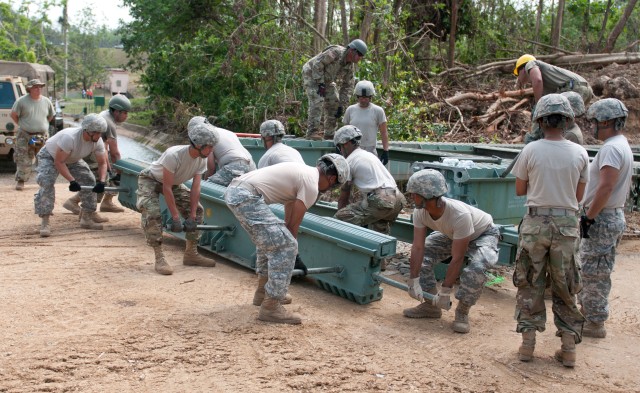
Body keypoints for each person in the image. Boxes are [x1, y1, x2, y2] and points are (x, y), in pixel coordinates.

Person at [511, 94, 589, 368]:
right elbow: (579, 196)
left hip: (535, 224)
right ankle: (568, 348)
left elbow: (520, 189)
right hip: (567, 225)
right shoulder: (580, 153)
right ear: (567, 121)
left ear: (540, 121)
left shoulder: (530, 151)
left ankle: (527, 345)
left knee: (530, 282)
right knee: (566, 283)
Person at [224, 154, 350, 324]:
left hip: (237, 191)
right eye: (332, 186)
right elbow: (293, 229)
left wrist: (290, 248)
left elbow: (288, 226)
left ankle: (263, 292)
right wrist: (293, 255)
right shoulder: (311, 186)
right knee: (286, 246)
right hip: (245, 196)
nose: (328, 189)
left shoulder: (303, 173)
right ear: (332, 178)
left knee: (274, 240)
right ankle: (271, 306)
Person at [402, 169, 500, 334]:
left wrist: (446, 291)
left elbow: (458, 257)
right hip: (453, 233)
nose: (412, 197)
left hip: (483, 233)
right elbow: (418, 247)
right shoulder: (420, 212)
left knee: (477, 267)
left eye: (414, 194)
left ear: (428, 195)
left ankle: (462, 312)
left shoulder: (459, 215)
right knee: (424, 255)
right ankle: (430, 305)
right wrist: (414, 279)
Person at [578, 98, 633, 339]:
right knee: (595, 269)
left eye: (595, 122)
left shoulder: (611, 148)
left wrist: (589, 217)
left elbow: (606, 186)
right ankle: (591, 316)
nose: (592, 127)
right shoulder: (620, 144)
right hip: (609, 215)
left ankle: (594, 321)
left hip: (602, 217)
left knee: (593, 272)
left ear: (607, 122)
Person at [136, 122, 219, 276]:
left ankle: (191, 254)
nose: (212, 150)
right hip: (151, 179)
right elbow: (166, 188)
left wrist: (192, 216)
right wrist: (175, 218)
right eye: (209, 146)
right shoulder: (173, 155)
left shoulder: (202, 159)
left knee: (198, 210)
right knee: (152, 213)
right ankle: (159, 257)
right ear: (198, 145)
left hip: (173, 183)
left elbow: (196, 188)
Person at [34, 114, 110, 237]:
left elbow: (102, 163)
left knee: (89, 180)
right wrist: (72, 181)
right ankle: (45, 221)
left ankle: (86, 217)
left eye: (100, 133)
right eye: (96, 133)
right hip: (50, 156)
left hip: (73, 158)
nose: (99, 136)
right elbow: (59, 162)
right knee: (47, 183)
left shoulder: (98, 141)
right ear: (87, 131)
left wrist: (101, 181)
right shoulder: (70, 138)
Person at [63, 94, 132, 215]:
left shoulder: (106, 114)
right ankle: (73, 201)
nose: (127, 116)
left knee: (108, 176)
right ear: (116, 111)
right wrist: (120, 172)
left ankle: (107, 202)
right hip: (93, 153)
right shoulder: (109, 123)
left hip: (95, 150)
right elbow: (115, 153)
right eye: (125, 113)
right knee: (100, 180)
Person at [333, 125, 405, 235]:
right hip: (398, 199)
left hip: (382, 200)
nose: (340, 151)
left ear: (346, 143)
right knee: (378, 224)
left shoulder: (349, 161)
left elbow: (344, 195)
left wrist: (343, 213)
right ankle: (383, 248)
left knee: (339, 218)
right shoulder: (368, 155)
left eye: (339, 147)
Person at [514, 54, 593, 143]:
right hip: (584, 88)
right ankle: (561, 143)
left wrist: (538, 105)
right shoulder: (548, 81)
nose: (518, 78)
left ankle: (531, 145)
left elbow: (538, 80)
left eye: (517, 74)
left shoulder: (530, 64)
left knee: (542, 120)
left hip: (574, 88)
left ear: (523, 69)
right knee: (561, 120)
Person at [302, 39, 367, 140]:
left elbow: (348, 86)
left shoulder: (349, 66)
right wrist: (320, 83)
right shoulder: (336, 53)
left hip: (326, 80)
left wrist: (342, 104)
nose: (360, 58)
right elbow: (317, 64)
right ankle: (312, 133)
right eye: (359, 55)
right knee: (317, 99)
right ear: (352, 51)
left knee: (335, 104)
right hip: (312, 74)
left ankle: (329, 134)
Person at [10, 79, 55, 191]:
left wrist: (42, 125)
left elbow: (50, 116)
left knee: (43, 157)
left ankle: (43, 181)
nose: (38, 89)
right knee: (23, 157)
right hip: (25, 135)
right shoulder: (21, 101)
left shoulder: (46, 101)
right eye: (36, 87)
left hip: (40, 136)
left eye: (40, 87)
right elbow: (14, 115)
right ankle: (21, 180)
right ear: (29, 89)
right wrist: (23, 125)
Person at [185, 117, 255, 186]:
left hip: (236, 167)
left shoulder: (208, 136)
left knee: (206, 188)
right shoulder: (226, 132)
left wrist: (205, 183)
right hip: (251, 166)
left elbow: (211, 168)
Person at [342, 80, 389, 164]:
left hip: (370, 150)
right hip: (353, 150)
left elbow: (384, 132)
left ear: (370, 97)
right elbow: (345, 132)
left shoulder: (378, 111)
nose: (363, 100)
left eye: (366, 98)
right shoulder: (350, 110)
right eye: (361, 97)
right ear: (357, 96)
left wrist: (386, 151)